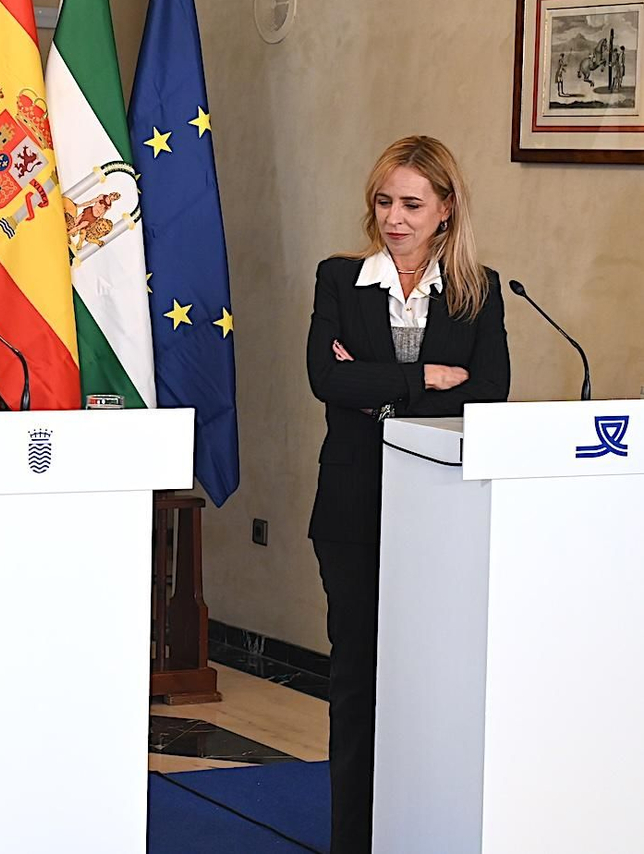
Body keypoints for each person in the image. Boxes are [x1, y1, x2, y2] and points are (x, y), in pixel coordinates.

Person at [305, 135, 509, 853]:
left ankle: (422, 829)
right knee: (357, 679)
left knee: (429, 680)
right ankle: (352, 841)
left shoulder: (478, 290)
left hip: (441, 518)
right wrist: (423, 379)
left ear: (446, 210)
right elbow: (326, 381)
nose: (395, 218)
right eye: (385, 202)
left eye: (413, 205)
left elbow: (487, 394)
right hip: (353, 510)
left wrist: (374, 387)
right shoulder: (340, 279)